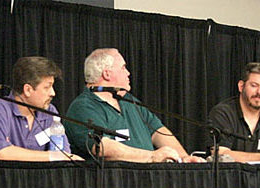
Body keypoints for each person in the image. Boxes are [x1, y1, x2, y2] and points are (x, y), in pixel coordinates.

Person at [64, 48, 205, 163]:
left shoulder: (130, 101)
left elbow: (158, 131)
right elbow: (102, 147)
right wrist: (152, 156)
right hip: (114, 186)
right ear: (107, 74)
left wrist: (183, 157)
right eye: (123, 67)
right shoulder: (83, 107)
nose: (128, 73)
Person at [0, 56, 83, 161]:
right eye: (47, 87)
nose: (53, 93)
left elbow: (64, 154)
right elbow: (1, 153)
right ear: (27, 90)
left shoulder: (50, 112)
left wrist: (13, 151)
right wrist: (51, 156)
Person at [207, 62, 260, 164]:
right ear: (241, 86)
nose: (259, 92)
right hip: (230, 177)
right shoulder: (223, 112)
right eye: (254, 85)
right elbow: (220, 153)